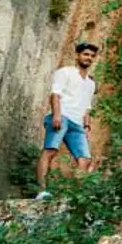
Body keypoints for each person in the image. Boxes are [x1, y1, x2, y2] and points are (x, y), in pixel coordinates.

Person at [36, 41, 99, 197]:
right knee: (50, 151)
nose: (89, 58)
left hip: (77, 124)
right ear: (77, 56)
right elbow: (55, 94)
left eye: (92, 56)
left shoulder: (91, 84)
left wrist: (87, 127)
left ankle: (76, 197)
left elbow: (86, 108)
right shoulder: (65, 72)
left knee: (85, 160)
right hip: (62, 116)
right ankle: (42, 191)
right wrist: (57, 114)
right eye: (85, 54)